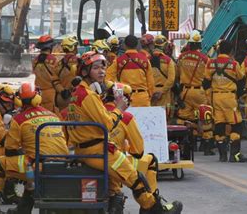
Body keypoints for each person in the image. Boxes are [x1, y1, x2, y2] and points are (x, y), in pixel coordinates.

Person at [67, 51, 182, 214]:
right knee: (136, 180)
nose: (101, 71)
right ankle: (155, 209)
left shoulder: (78, 94)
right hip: (97, 150)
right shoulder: (89, 96)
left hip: (88, 148)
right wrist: (119, 109)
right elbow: (107, 124)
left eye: (102, 67)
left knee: (134, 178)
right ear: (85, 72)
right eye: (95, 68)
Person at [0, 82, 68, 214]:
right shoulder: (53, 115)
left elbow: (10, 150)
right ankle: (22, 209)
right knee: (29, 170)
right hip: (62, 163)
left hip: (38, 165)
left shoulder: (18, 119)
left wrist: (22, 150)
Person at [102, 82, 161, 213]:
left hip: (93, 158)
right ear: (124, 99)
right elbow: (138, 151)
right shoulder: (126, 117)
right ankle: (150, 203)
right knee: (151, 160)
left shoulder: (97, 112)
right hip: (116, 163)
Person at [203, 40, 247, 163]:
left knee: (219, 125)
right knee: (236, 125)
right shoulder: (234, 64)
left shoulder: (210, 63)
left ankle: (222, 155)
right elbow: (241, 79)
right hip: (229, 98)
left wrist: (208, 97)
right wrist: (239, 95)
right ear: (231, 51)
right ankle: (235, 155)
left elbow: (206, 82)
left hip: (216, 98)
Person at [176, 30, 213, 155]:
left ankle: (186, 143)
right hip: (199, 91)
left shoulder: (182, 57)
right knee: (205, 117)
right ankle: (206, 146)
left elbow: (177, 74)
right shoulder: (205, 58)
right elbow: (208, 77)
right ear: (200, 44)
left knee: (184, 118)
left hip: (185, 91)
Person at [107, 35, 155, 107]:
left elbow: (108, 78)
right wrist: (149, 95)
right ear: (137, 45)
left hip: (125, 99)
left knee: (127, 118)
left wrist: (118, 88)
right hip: (143, 98)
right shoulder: (145, 60)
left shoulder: (118, 61)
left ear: (125, 46)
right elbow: (150, 82)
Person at [33, 35, 65, 114]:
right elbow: (56, 78)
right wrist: (63, 91)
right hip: (50, 93)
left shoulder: (35, 60)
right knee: (52, 116)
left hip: (37, 93)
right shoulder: (53, 60)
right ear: (50, 47)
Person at [150, 35, 176, 111]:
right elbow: (171, 79)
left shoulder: (148, 59)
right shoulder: (168, 60)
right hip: (164, 93)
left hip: (151, 92)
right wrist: (162, 91)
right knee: (164, 117)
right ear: (165, 46)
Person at [57, 35, 79, 110]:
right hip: (74, 97)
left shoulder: (59, 63)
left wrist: (62, 91)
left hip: (60, 97)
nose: (77, 48)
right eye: (75, 46)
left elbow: (54, 80)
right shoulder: (79, 61)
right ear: (72, 47)